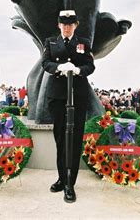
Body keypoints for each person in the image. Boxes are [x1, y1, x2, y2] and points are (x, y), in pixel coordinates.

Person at [41, 10, 95, 203]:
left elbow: (91, 65)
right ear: (59, 25)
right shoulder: (51, 42)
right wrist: (58, 68)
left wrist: (79, 70)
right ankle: (62, 178)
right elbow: (45, 63)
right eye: (63, 24)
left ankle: (70, 184)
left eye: (70, 24)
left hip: (77, 96)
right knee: (60, 138)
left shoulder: (83, 43)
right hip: (58, 96)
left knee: (75, 138)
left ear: (75, 25)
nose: (66, 27)